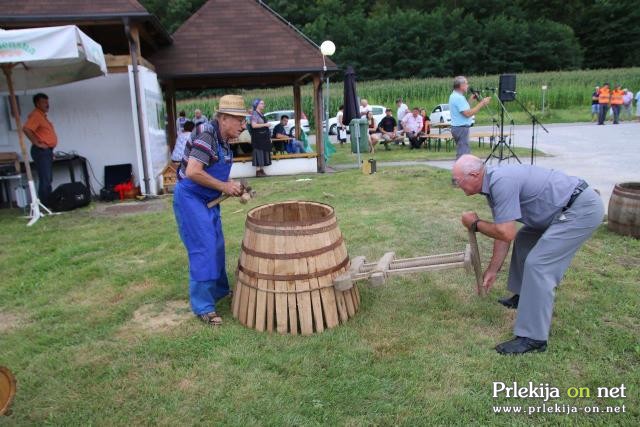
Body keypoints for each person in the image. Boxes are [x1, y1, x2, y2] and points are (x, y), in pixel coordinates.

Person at [452, 155, 603, 354]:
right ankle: (523, 297)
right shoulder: (492, 185)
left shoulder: (501, 182)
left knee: (539, 264)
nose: (457, 185)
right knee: (524, 240)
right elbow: (505, 232)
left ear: (474, 175)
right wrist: (492, 270)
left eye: (458, 181)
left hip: (579, 210)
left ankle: (533, 338)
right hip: (559, 210)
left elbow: (505, 232)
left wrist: (475, 224)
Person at [173, 94, 246, 326]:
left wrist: (233, 186)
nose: (243, 125)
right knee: (203, 247)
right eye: (239, 120)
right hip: (191, 198)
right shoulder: (207, 134)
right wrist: (225, 186)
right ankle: (203, 305)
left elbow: (214, 170)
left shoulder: (223, 140)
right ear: (224, 118)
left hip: (208, 200)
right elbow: (194, 171)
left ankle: (219, 291)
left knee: (216, 245)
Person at [23, 93, 58, 202]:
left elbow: (43, 134)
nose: (47, 105)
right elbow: (26, 129)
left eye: (47, 102)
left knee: (48, 178)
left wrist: (50, 150)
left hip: (46, 151)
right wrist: (37, 143)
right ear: (37, 103)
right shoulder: (36, 115)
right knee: (45, 178)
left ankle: (48, 201)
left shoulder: (42, 116)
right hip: (41, 151)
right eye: (44, 102)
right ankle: (46, 204)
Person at [449, 76, 491, 159]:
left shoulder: (455, 95)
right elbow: (467, 113)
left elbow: (465, 109)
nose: (468, 86)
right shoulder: (458, 98)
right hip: (461, 129)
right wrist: (482, 103)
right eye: (466, 84)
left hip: (458, 128)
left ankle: (460, 170)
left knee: (462, 151)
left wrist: (471, 100)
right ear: (461, 86)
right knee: (463, 155)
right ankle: (460, 171)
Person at [250, 99, 272, 177]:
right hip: (258, 138)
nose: (263, 105)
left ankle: (261, 171)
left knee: (263, 153)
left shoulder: (261, 114)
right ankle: (258, 171)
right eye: (262, 103)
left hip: (264, 137)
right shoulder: (254, 114)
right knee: (258, 153)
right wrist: (265, 125)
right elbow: (253, 125)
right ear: (257, 105)